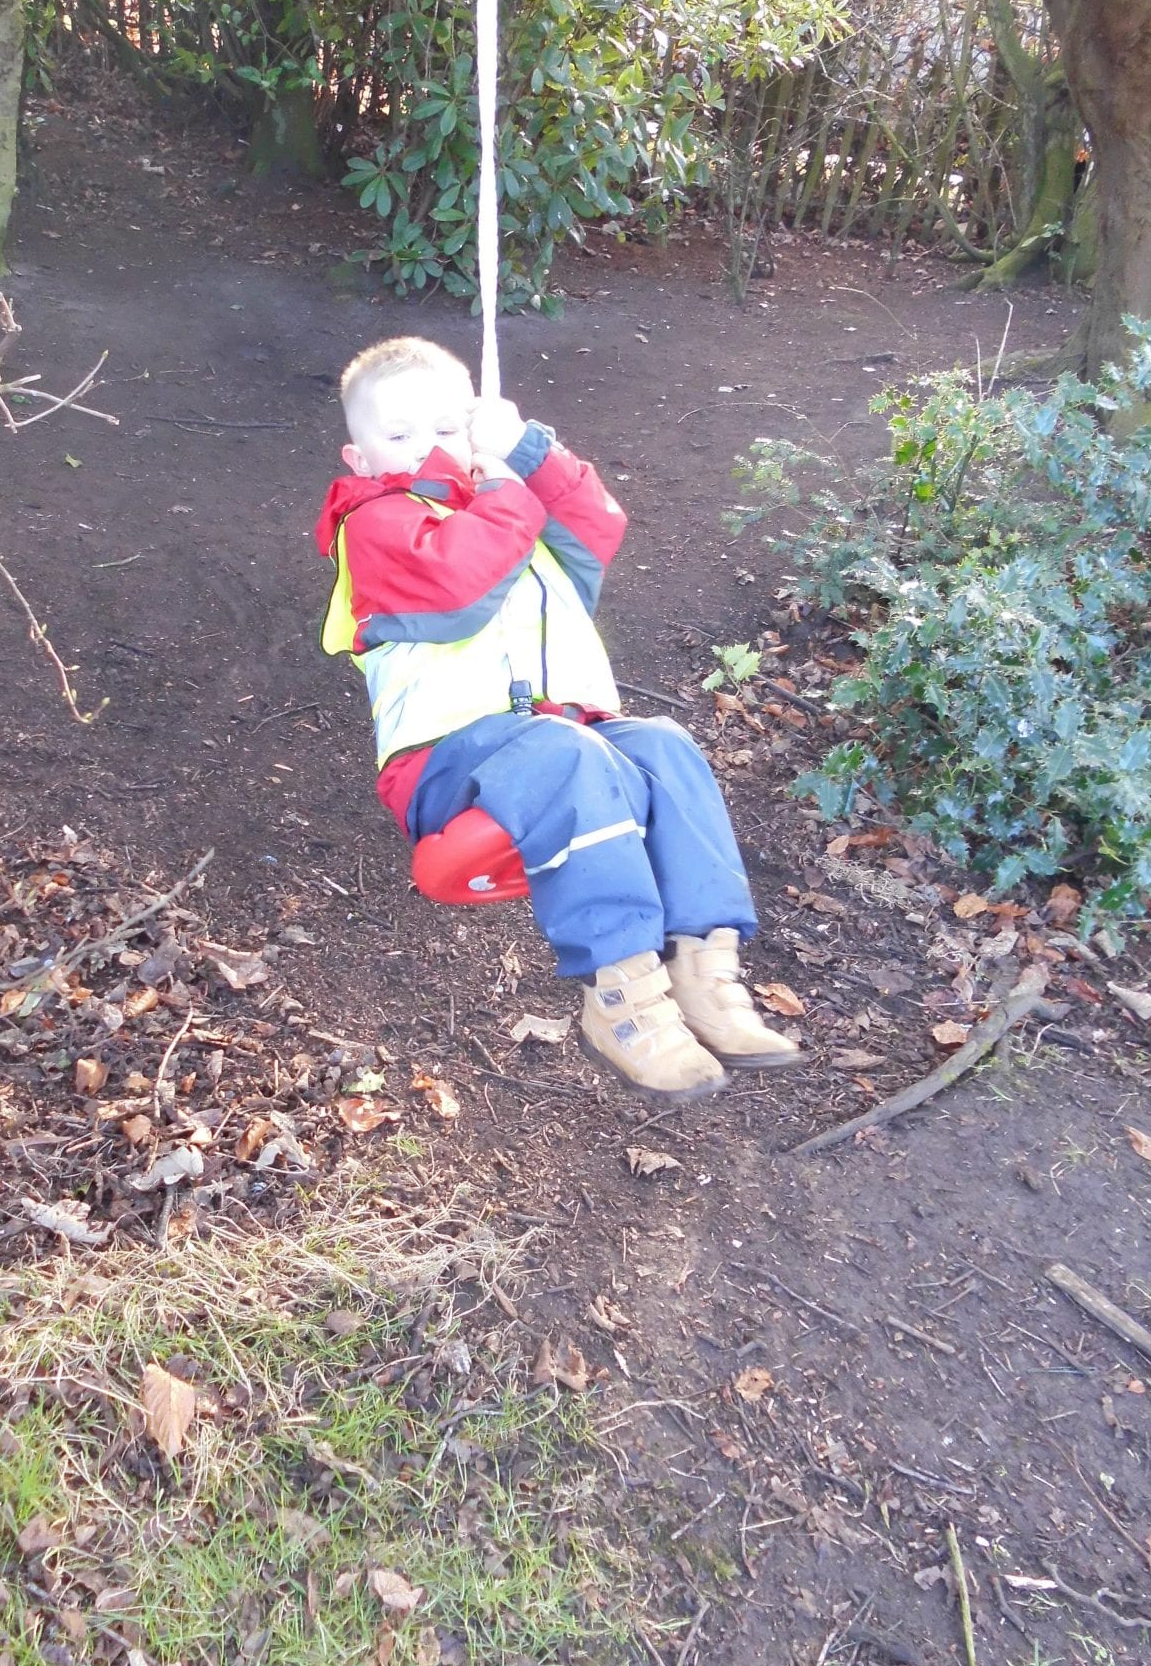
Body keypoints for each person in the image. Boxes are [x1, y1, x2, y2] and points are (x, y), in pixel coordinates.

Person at [316, 335, 801, 1101]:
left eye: (448, 428)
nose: (430, 449)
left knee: (664, 746)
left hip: (560, 743)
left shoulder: (515, 514)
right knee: (564, 751)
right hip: (448, 765)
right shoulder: (375, 522)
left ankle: (703, 968)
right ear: (360, 457)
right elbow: (455, 588)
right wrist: (509, 493)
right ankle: (621, 998)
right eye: (400, 435)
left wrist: (525, 450)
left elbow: (595, 519)